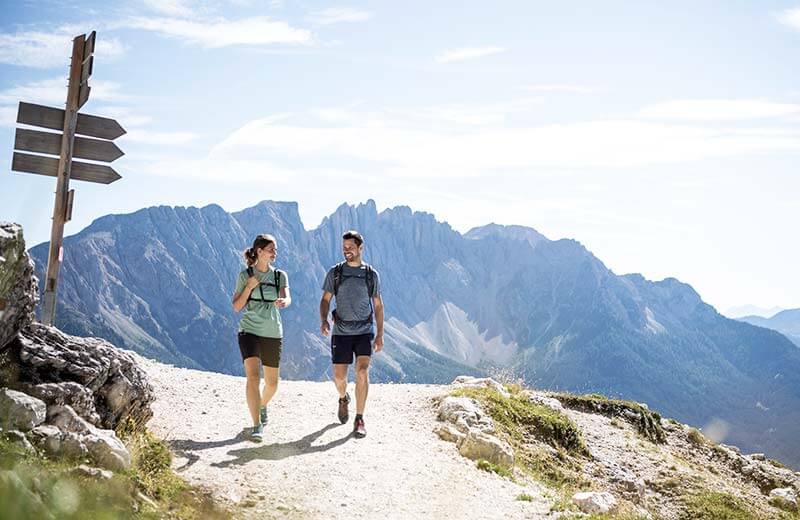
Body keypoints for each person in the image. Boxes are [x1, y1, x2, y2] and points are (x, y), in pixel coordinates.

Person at [319, 230, 384, 438]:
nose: (346, 251)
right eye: (344, 247)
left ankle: (359, 418)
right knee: (339, 378)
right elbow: (325, 299)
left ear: (360, 248)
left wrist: (380, 334)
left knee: (362, 371)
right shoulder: (335, 272)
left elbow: (378, 306)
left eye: (350, 247)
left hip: (364, 331)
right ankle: (343, 397)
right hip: (341, 332)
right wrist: (323, 319)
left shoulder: (370, 274)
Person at [232, 234, 290, 441]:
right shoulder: (245, 275)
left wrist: (284, 301)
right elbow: (237, 307)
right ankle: (256, 425)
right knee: (253, 377)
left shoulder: (279, 276)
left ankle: (263, 405)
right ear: (259, 251)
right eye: (271, 249)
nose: (275, 253)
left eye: (275, 249)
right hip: (249, 330)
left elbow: (287, 296)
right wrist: (249, 287)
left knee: (273, 384)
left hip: (273, 332)